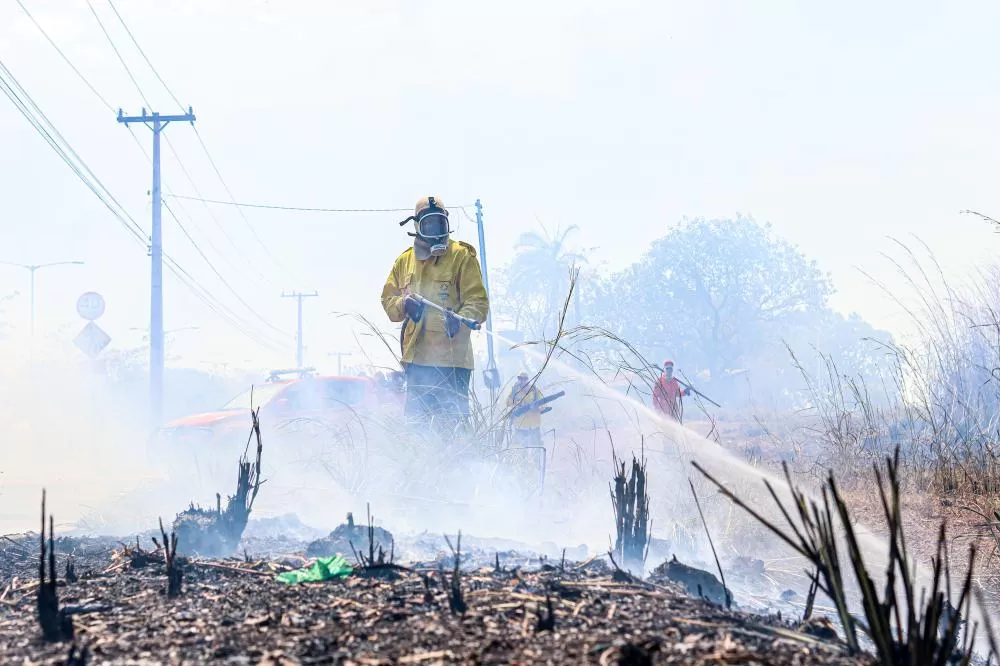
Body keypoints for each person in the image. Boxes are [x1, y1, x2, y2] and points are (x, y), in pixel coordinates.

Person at [381, 196, 489, 432]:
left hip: (452, 363)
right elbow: (388, 301)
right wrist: (403, 304)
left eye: (440, 224)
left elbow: (478, 303)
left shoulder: (462, 256)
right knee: (417, 429)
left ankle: (461, 469)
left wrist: (458, 322)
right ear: (417, 225)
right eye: (429, 225)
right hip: (416, 362)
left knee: (453, 427)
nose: (436, 231)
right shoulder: (404, 261)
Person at [506, 370, 544, 447]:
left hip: (534, 425)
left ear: (528, 379)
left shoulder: (534, 390)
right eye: (520, 378)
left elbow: (543, 403)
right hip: (520, 426)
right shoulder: (515, 391)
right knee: (520, 449)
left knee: (536, 448)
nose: (522, 381)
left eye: (525, 379)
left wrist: (537, 408)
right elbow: (508, 402)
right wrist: (517, 404)